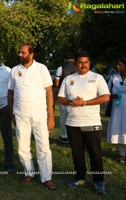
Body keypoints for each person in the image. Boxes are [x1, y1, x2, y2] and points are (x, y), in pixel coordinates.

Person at [58, 50, 110, 195]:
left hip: (91, 122)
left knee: (95, 154)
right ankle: (79, 177)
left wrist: (85, 103)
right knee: (77, 154)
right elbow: (60, 98)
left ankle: (99, 181)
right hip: (73, 123)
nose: (83, 65)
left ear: (89, 63)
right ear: (75, 64)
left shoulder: (97, 77)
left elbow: (106, 97)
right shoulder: (68, 79)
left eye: (86, 62)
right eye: (80, 62)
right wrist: (70, 102)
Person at [8, 43, 57, 190]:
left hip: (40, 115)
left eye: (23, 53)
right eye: (19, 52)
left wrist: (51, 116)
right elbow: (10, 93)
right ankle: (28, 172)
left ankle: (46, 177)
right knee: (23, 147)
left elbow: (49, 92)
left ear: (31, 54)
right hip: (20, 115)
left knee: (43, 147)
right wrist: (11, 113)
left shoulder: (41, 68)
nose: (20, 55)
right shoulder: (15, 70)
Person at [107, 57, 126, 163]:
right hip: (117, 108)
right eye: (117, 64)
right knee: (119, 129)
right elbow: (106, 91)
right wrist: (111, 96)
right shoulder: (114, 78)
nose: (118, 67)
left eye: (120, 65)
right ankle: (122, 154)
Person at [54, 53, 75, 144]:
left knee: (63, 117)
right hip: (77, 96)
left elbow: (56, 83)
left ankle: (64, 136)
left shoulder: (60, 68)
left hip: (65, 96)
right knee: (75, 117)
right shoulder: (78, 68)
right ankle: (74, 137)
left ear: (65, 59)